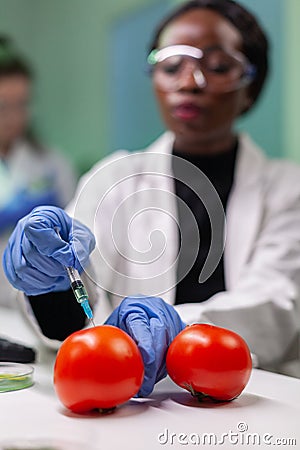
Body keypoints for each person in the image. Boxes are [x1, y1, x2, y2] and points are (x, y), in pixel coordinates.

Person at [3, 0, 300, 396]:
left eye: (217, 66)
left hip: (254, 397)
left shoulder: (288, 189)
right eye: (171, 65)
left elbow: (275, 306)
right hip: (129, 400)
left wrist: (176, 327)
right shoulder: (116, 180)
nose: (190, 81)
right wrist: (49, 284)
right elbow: (70, 322)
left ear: (250, 88)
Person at [0, 36, 76, 307]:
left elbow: (76, 233)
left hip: (38, 302)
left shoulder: (53, 163)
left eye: (23, 104)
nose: (14, 117)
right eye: (3, 106)